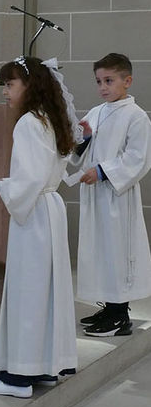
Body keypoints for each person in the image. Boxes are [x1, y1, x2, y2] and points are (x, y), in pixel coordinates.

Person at [0, 57, 78, 398]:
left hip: (35, 214)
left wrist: (1, 187)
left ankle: (17, 378)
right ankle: (44, 369)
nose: (6, 91)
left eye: (10, 84)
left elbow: (29, 181)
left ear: (30, 85)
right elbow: (41, 173)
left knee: (27, 292)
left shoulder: (27, 123)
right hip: (49, 208)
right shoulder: (51, 119)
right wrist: (13, 183)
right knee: (45, 292)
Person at [72, 53, 151, 337]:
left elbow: (138, 158)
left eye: (109, 80)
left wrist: (103, 171)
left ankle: (120, 316)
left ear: (127, 81)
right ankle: (108, 306)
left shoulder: (136, 116)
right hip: (95, 197)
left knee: (117, 251)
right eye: (98, 81)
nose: (103, 87)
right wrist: (82, 140)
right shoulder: (96, 112)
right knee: (99, 251)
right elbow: (79, 150)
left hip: (118, 198)